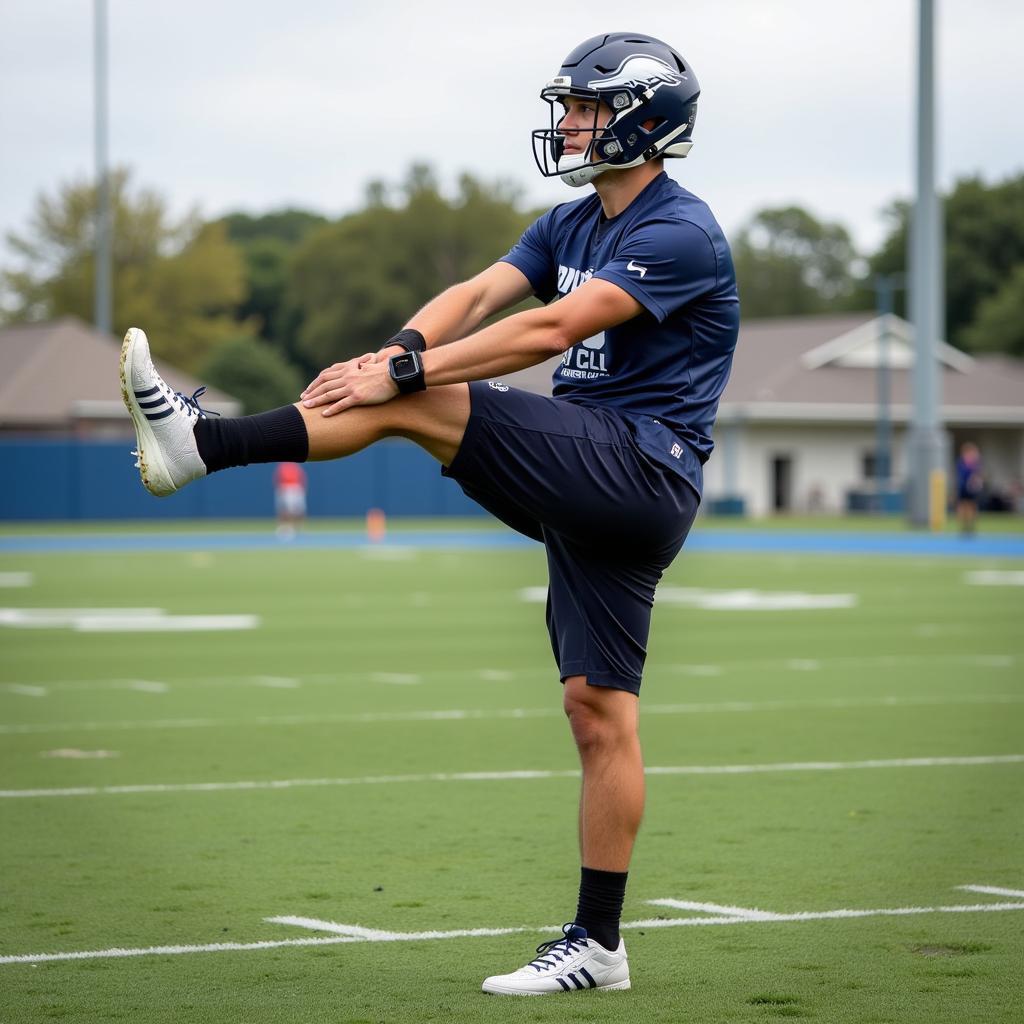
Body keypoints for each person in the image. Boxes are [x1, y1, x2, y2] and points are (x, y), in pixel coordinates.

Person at [121, 32, 739, 995]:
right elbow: (480, 293)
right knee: (598, 715)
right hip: (590, 480)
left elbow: (546, 329)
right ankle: (601, 946)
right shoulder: (570, 224)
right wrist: (400, 344)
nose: (568, 121)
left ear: (643, 117)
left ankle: (204, 446)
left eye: (585, 105)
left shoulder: (681, 230)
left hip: (639, 470)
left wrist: (402, 372)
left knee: (404, 401)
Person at [273, 461, 308, 539]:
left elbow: (302, 478)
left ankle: (298, 528)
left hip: (296, 488)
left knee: (298, 511)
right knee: (285, 511)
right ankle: (285, 528)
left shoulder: (295, 465)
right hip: (285, 488)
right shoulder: (283, 466)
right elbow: (277, 479)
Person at [955, 442, 983, 536]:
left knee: (972, 506)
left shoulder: (976, 463)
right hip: (963, 488)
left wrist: (976, 481)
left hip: (972, 489)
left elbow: (978, 475)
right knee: (963, 506)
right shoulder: (961, 462)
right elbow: (962, 475)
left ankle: (971, 526)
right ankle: (964, 526)